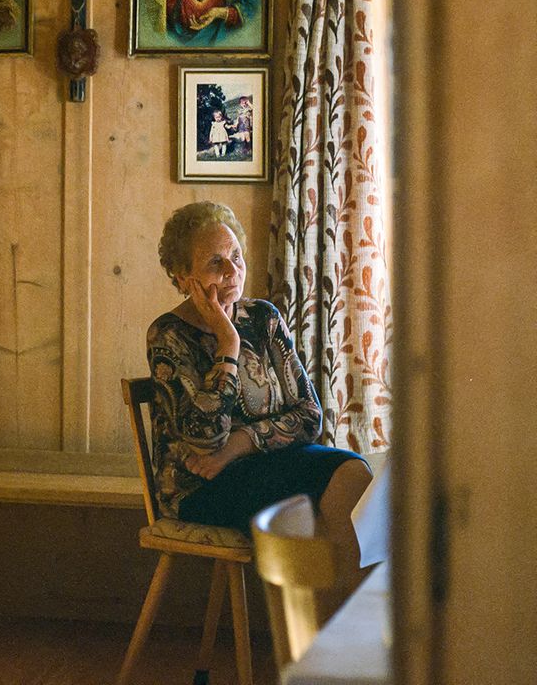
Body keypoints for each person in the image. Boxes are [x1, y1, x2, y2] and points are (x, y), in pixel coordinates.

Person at [148, 201, 372, 589]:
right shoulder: (168, 335)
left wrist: (240, 443)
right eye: (216, 263)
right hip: (197, 488)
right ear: (184, 277)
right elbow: (204, 439)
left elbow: (309, 416)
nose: (233, 271)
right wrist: (228, 341)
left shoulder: (264, 318)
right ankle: (329, 627)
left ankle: (344, 623)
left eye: (236, 256)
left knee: (354, 473)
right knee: (318, 502)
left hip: (261, 462)